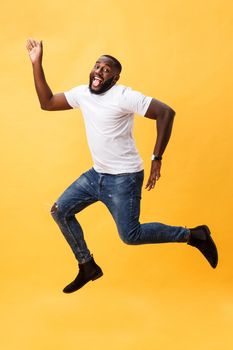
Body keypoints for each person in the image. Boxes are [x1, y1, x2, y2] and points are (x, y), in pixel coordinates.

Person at [26, 38, 218, 294]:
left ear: (114, 78)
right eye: (97, 66)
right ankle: (87, 265)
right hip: (96, 175)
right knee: (60, 211)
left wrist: (157, 157)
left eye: (106, 70)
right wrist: (36, 63)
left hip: (124, 178)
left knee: (131, 236)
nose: (99, 72)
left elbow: (166, 113)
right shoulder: (82, 94)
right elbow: (47, 103)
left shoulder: (124, 96)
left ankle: (194, 235)